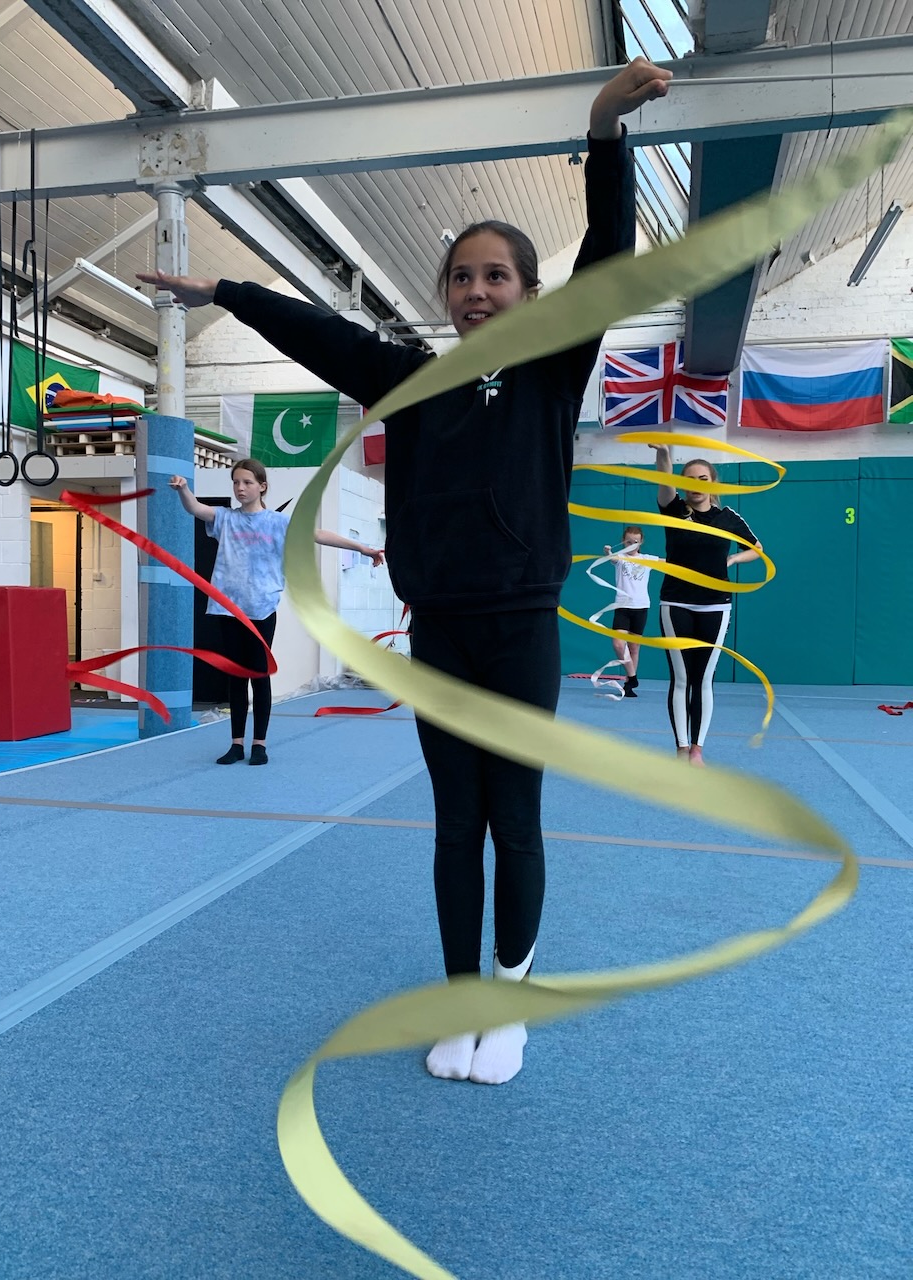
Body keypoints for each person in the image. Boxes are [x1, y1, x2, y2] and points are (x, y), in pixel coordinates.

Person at [140, 56, 672, 1086]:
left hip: (519, 627)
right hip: (440, 629)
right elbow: (321, 332)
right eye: (463, 278)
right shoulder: (409, 379)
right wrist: (227, 291)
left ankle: (509, 1008)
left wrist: (606, 131)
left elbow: (609, 258)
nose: (477, 292)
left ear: (527, 292)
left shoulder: (552, 366)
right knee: (454, 824)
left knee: (514, 819)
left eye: (497, 276)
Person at [170, 458, 383, 765]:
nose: (240, 488)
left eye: (247, 482)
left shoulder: (277, 522)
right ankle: (236, 744)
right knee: (235, 677)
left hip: (261, 609)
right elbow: (195, 508)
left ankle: (260, 743)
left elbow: (318, 534)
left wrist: (362, 548)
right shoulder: (225, 519)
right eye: (236, 483)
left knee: (259, 674)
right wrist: (183, 490)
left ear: (262, 487)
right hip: (229, 609)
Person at [650, 443, 762, 767]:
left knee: (703, 678)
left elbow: (757, 548)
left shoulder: (728, 518)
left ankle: (697, 749)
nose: (696, 485)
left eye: (702, 478)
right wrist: (663, 455)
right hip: (676, 602)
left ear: (712, 483)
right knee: (682, 677)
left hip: (716, 605)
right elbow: (664, 480)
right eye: (689, 479)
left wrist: (733, 559)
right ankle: (681, 748)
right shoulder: (673, 510)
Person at [601, 525, 658, 697]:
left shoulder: (647, 559)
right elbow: (611, 558)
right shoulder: (620, 558)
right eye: (628, 542)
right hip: (622, 606)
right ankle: (633, 676)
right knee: (618, 644)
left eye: (635, 542)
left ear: (641, 542)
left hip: (641, 607)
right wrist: (608, 551)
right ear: (623, 541)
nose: (632, 545)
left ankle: (629, 685)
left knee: (634, 648)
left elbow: (668, 562)